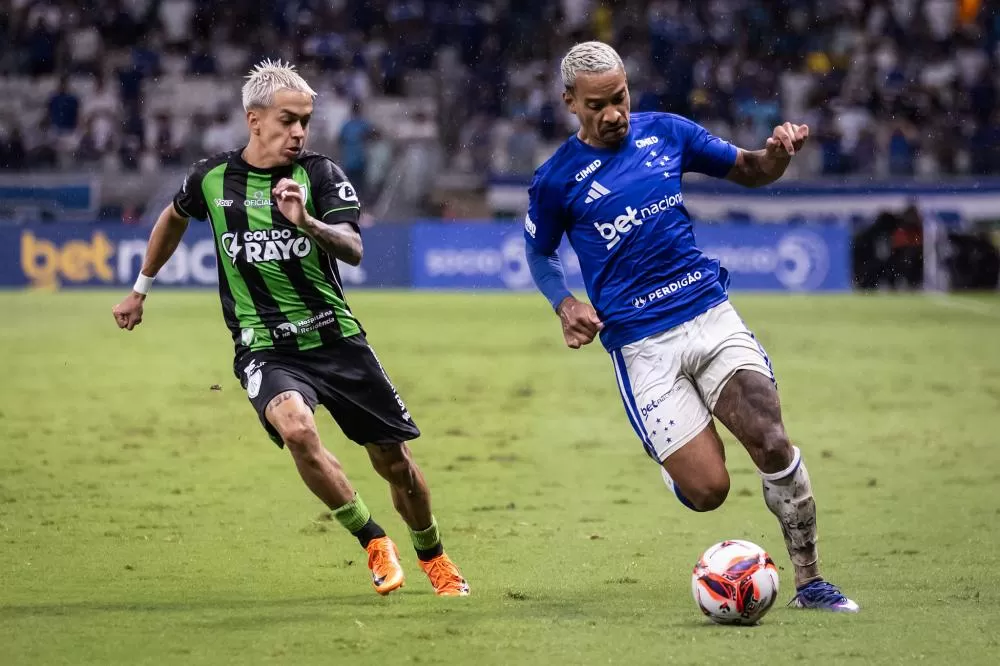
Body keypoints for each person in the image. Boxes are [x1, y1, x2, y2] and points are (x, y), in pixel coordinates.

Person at [111, 59, 469, 597]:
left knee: (397, 467)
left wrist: (306, 222)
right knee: (297, 430)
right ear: (254, 120)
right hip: (264, 348)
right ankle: (373, 540)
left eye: (305, 120)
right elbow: (174, 217)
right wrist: (141, 287)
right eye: (287, 120)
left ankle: (432, 553)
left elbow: (353, 248)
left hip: (336, 340)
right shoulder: (211, 178)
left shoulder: (320, 175)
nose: (299, 132)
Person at [524, 42, 858, 613]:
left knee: (772, 440)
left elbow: (751, 168)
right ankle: (678, 463)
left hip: (707, 312)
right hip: (641, 345)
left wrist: (777, 153)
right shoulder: (556, 179)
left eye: (621, 98)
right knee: (709, 491)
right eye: (598, 104)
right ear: (571, 103)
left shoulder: (667, 132)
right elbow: (539, 251)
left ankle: (811, 581)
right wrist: (564, 304)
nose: (614, 114)